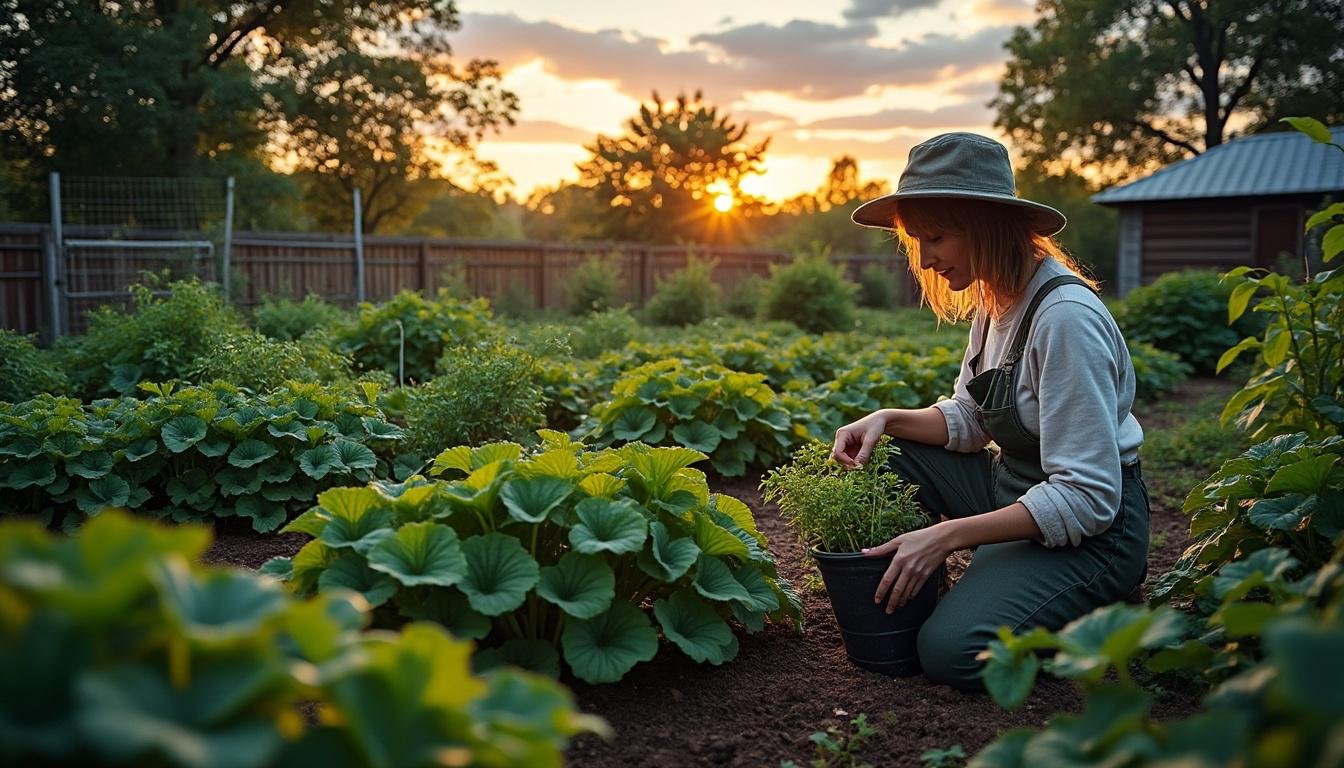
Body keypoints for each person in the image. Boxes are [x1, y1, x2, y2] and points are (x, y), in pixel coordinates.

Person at [832, 132, 1149, 690]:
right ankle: (942, 589)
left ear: (987, 225)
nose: (925, 259)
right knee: (890, 452)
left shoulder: (1065, 319)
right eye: (917, 241)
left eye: (936, 237)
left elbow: (1088, 496)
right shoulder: (995, 300)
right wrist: (887, 418)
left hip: (1094, 532)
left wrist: (949, 535)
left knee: (951, 653)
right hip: (1015, 491)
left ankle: (1101, 612)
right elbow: (972, 418)